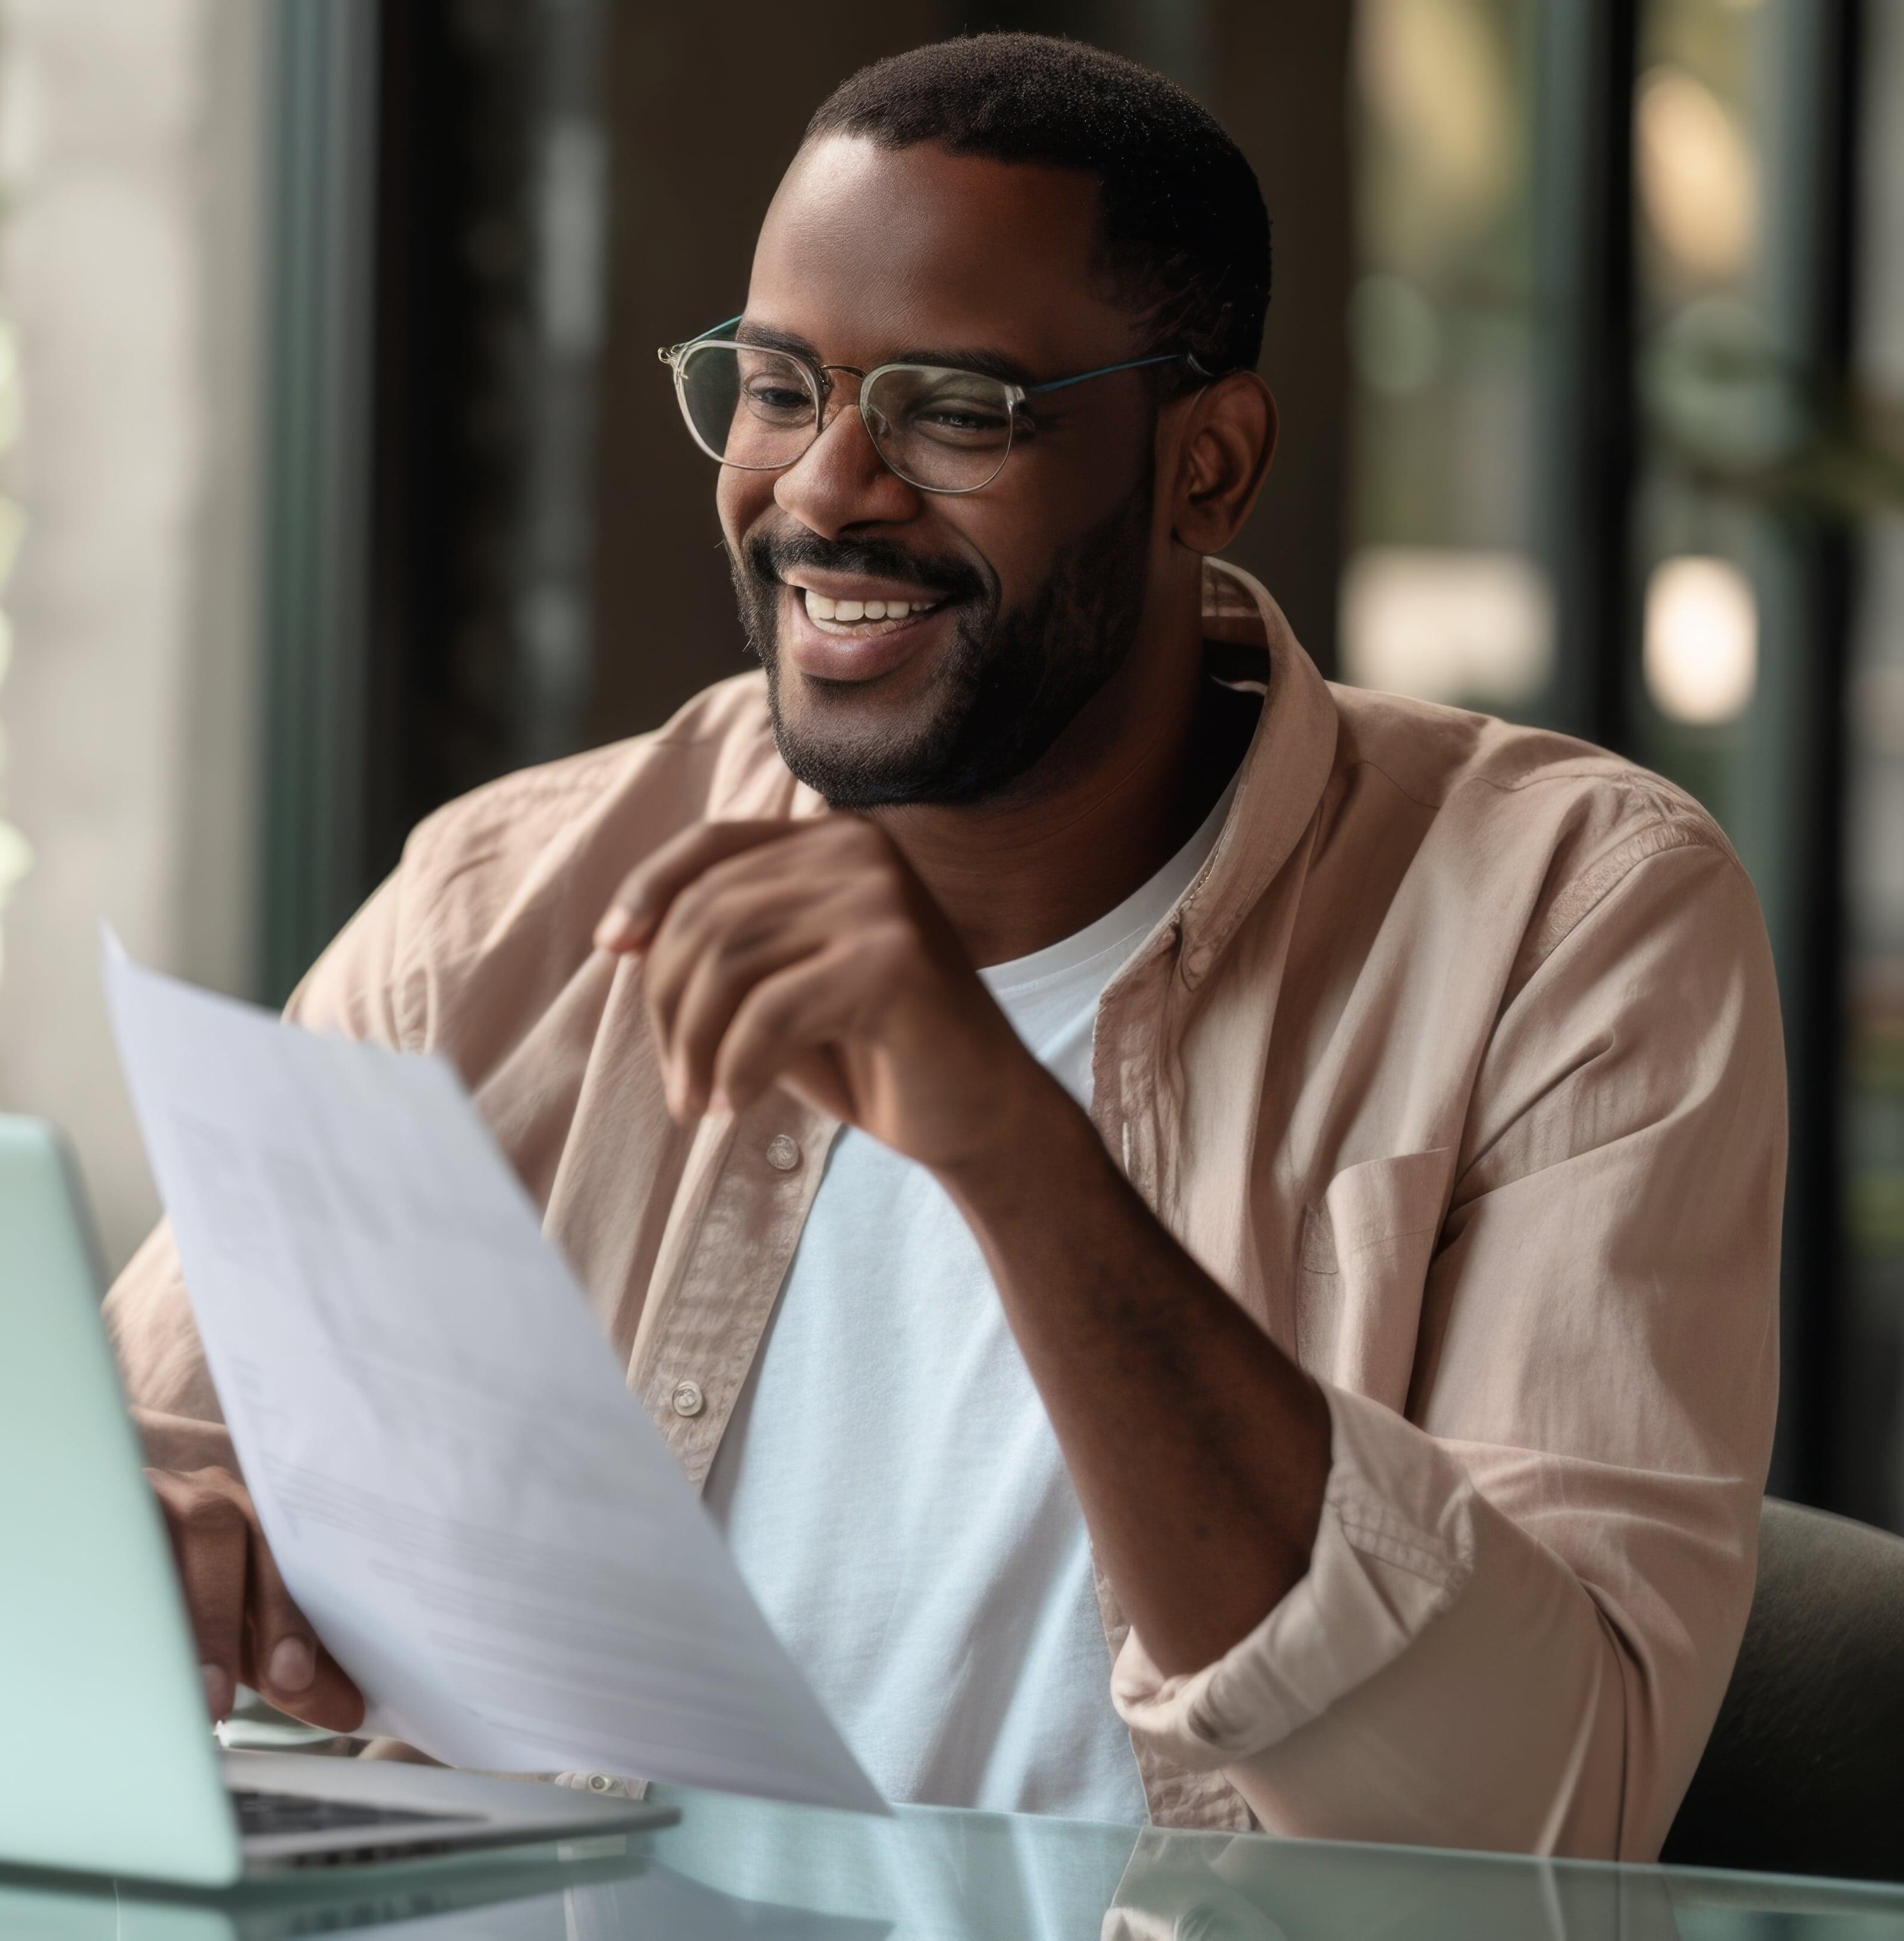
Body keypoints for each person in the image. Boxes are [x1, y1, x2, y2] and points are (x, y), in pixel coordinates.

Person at [110, 33, 1779, 1860]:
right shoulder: (498, 908)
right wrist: (149, 1508)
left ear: (1204, 466)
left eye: (954, 409)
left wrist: (1002, 1135)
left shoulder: (1570, 916)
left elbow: (1537, 1815)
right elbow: (126, 1474)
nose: (824, 493)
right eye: (774, 387)